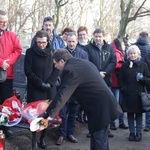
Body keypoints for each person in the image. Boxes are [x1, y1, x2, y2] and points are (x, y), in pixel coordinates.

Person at [39, 49, 122, 150]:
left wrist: (47, 114)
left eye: (55, 63)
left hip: (100, 108)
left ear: (62, 61)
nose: (55, 67)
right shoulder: (83, 62)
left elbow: (62, 95)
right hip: (104, 104)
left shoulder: (70, 70)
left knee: (99, 140)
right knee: (100, 139)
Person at [24, 30, 59, 149]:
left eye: (43, 42)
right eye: (38, 42)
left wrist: (49, 83)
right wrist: (40, 83)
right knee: (34, 116)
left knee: (46, 115)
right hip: (35, 88)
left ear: (48, 41)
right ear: (35, 40)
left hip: (49, 89)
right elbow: (28, 71)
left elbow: (57, 70)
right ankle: (34, 140)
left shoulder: (53, 52)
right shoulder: (30, 52)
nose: (41, 45)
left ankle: (43, 137)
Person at [56, 32, 88, 145]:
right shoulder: (61, 53)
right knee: (63, 113)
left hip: (77, 88)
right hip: (64, 87)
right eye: (69, 41)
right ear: (66, 41)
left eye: (73, 41)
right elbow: (57, 69)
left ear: (77, 41)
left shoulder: (83, 54)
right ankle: (61, 135)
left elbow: (85, 70)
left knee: (73, 113)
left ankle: (70, 133)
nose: (71, 43)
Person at [85, 28, 116, 138]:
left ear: (103, 36)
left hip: (106, 80)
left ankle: (106, 129)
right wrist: (96, 73)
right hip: (92, 81)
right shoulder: (88, 48)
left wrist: (105, 72)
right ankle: (92, 129)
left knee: (105, 106)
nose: (98, 38)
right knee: (93, 106)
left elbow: (113, 61)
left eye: (100, 36)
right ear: (93, 36)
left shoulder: (109, 48)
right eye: (96, 36)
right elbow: (87, 62)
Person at [119, 45, 150, 142]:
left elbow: (148, 80)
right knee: (130, 115)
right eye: (130, 54)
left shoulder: (143, 65)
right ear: (128, 55)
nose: (132, 55)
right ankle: (132, 133)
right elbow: (121, 79)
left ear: (138, 54)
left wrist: (142, 79)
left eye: (134, 53)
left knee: (139, 115)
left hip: (139, 95)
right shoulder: (125, 66)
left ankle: (139, 133)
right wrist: (124, 88)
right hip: (128, 94)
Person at [0, 10, 22, 137]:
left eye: (5, 22)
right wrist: (1, 62)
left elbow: (18, 50)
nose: (3, 24)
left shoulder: (12, 35)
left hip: (7, 75)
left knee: (6, 102)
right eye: (1, 22)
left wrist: (8, 62)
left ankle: (4, 126)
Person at [110, 38, 128, 130]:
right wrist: (124, 65)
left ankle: (118, 122)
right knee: (117, 103)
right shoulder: (117, 52)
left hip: (117, 81)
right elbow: (116, 65)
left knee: (119, 103)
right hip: (116, 82)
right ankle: (114, 122)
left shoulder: (117, 51)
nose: (124, 45)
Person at [134, 31, 150, 131]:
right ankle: (148, 124)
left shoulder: (134, 45)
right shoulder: (148, 46)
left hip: (141, 74)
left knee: (145, 99)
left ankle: (147, 124)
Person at [76, 26, 89, 123]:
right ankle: (79, 114)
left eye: (84, 34)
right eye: (80, 35)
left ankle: (85, 114)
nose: (82, 36)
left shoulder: (90, 46)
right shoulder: (77, 46)